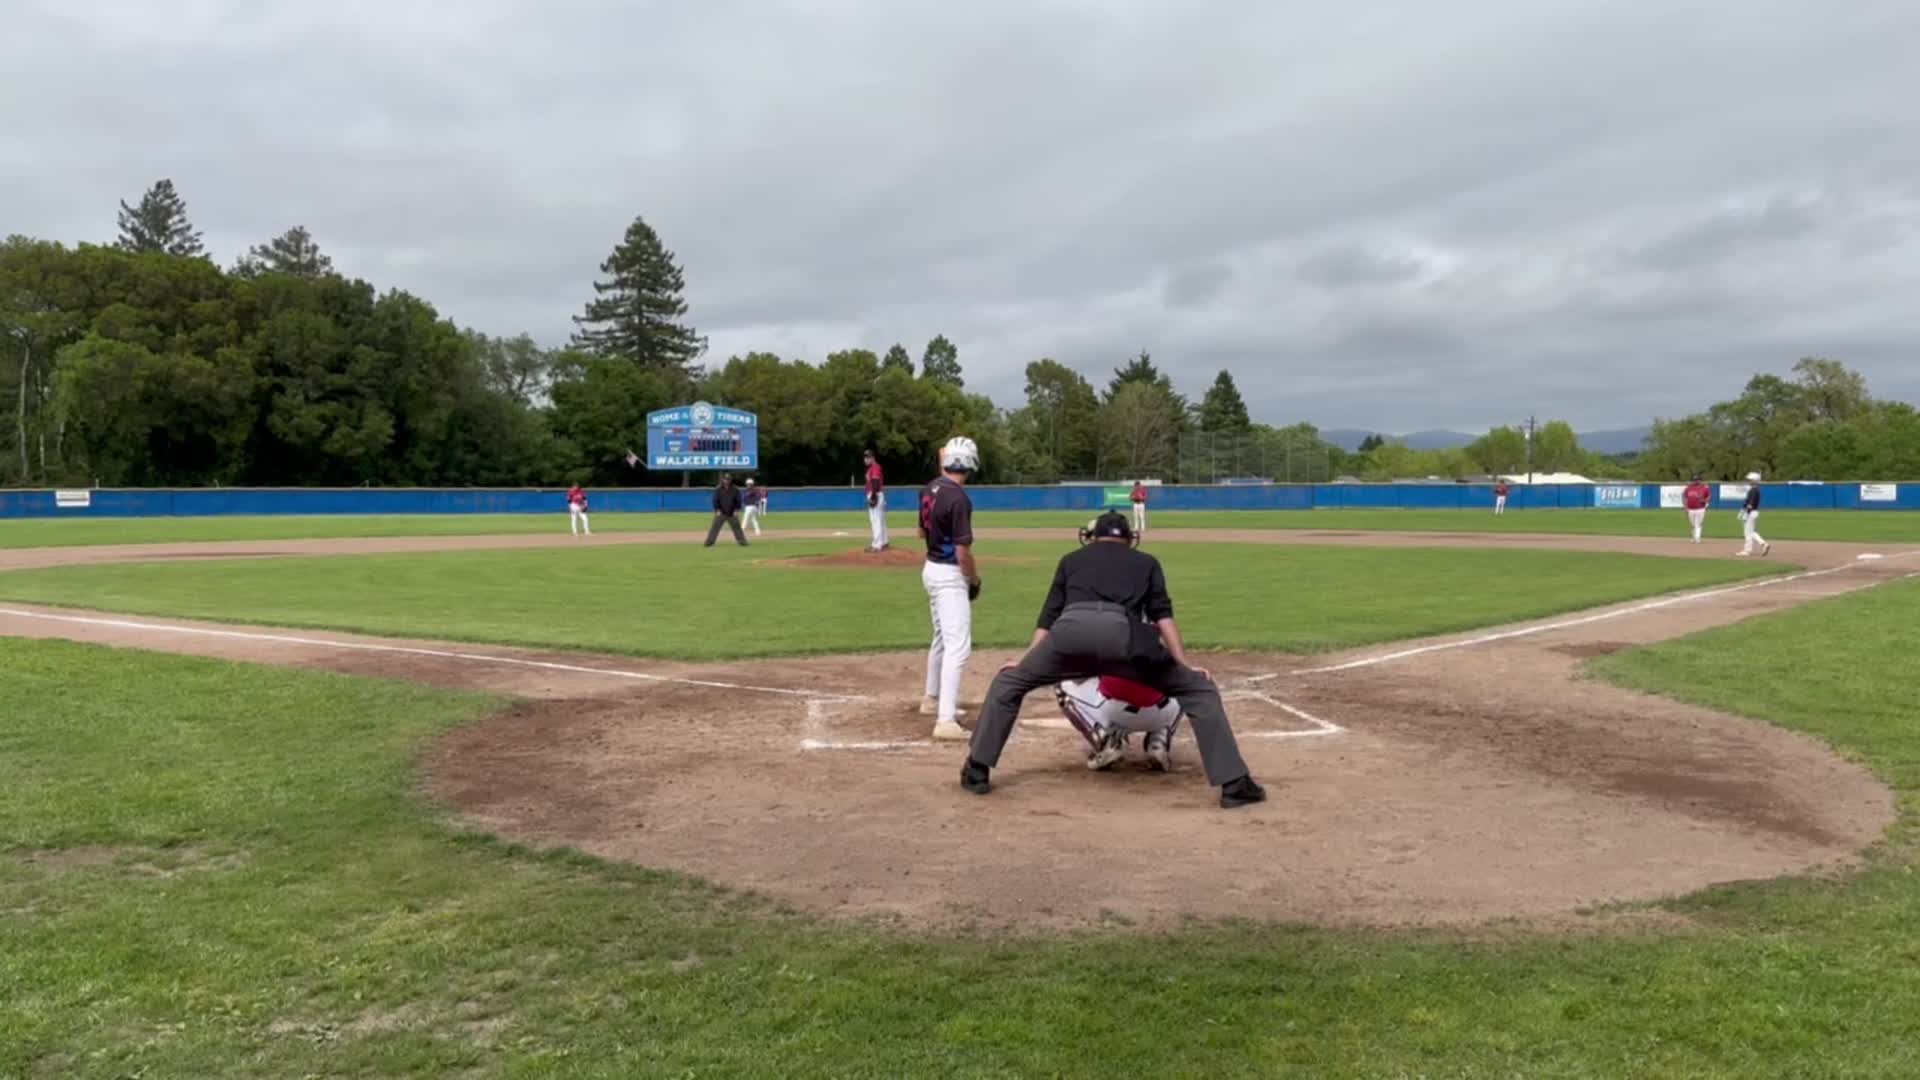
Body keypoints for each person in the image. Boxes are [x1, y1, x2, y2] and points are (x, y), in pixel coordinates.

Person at [959, 511, 1267, 809]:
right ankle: (1234, 784)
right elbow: (1163, 617)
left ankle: (977, 770)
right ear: (1129, 538)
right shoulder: (1146, 562)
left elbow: (1049, 617)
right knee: (1199, 691)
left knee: (1009, 683)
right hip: (1123, 638)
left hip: (1070, 634)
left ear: (1093, 537)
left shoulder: (1071, 560)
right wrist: (1183, 664)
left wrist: (1024, 661)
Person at [919, 436, 980, 741]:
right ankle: (945, 720)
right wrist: (974, 579)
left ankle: (931, 699)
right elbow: (961, 553)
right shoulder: (959, 498)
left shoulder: (930, 488)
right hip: (948, 574)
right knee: (959, 646)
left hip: (930, 569)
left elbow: (921, 530)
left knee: (942, 638)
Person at [1054, 673, 1182, 772]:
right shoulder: (1160, 642)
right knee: (1188, 683)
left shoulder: (1105, 642)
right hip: (1164, 713)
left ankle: (1107, 741)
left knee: (1061, 683)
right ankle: (1159, 740)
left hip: (1118, 712)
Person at [704, 473, 749, 547]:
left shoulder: (735, 489)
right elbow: (715, 500)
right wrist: (717, 510)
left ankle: (742, 542)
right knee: (715, 527)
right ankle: (709, 542)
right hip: (721, 512)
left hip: (732, 513)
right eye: (725, 479)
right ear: (723, 479)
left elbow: (738, 500)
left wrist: (736, 510)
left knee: (737, 528)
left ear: (730, 480)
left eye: (728, 479)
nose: (727, 481)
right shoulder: (718, 489)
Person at [1737, 472, 1770, 557]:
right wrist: (1743, 510)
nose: (1749, 481)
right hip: (1754, 512)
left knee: (1748, 533)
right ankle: (1764, 544)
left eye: (1750, 480)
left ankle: (1747, 551)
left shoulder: (1753, 490)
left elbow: (1750, 504)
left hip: (1751, 512)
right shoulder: (1755, 489)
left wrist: (1745, 513)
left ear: (1755, 480)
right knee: (1752, 532)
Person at [863, 449, 890, 553]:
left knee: (876, 520)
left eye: (868, 457)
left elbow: (875, 481)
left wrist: (873, 496)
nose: (866, 459)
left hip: (875, 494)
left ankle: (877, 545)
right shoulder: (874, 467)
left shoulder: (875, 467)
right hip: (878, 494)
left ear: (873, 458)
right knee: (881, 520)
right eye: (865, 457)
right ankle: (884, 542)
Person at [1682, 473, 1712, 543]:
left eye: (1697, 479)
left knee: (1698, 524)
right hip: (1690, 509)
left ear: (1700, 480)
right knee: (1692, 524)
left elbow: (1709, 496)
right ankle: (1693, 537)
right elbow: (1684, 497)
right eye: (1694, 480)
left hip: (1700, 508)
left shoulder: (1705, 487)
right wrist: (1685, 507)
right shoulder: (1688, 488)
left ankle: (1697, 538)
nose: (1696, 481)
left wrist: (1705, 500)